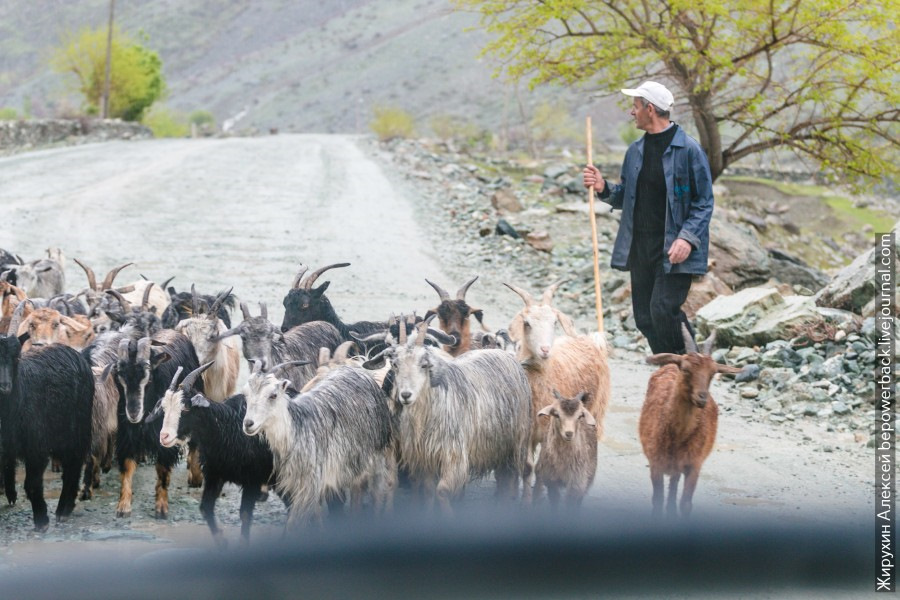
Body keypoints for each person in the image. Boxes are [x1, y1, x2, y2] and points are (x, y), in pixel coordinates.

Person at [583, 81, 714, 355]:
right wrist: (603, 187)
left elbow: (704, 202)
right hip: (641, 249)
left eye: (636, 106)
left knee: (663, 310)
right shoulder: (635, 152)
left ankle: (690, 368)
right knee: (644, 318)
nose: (633, 113)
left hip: (673, 250)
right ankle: (671, 372)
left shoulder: (689, 151)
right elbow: (627, 196)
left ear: (650, 109)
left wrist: (687, 239)